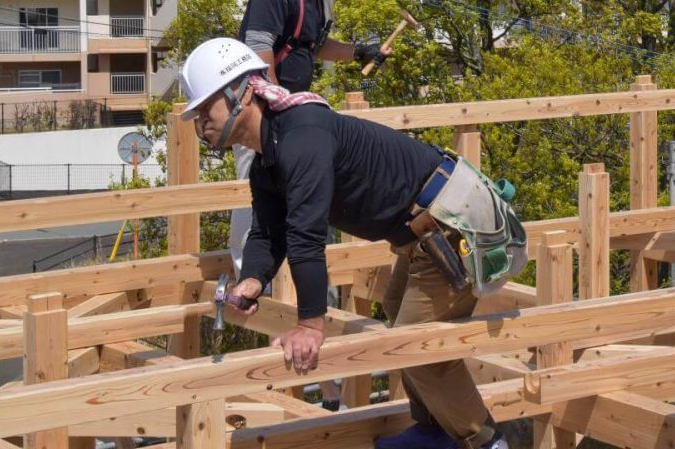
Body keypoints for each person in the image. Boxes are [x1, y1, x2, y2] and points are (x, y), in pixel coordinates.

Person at [180, 38, 520, 449]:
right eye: (196, 114)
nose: (201, 123)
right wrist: (252, 278)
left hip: (455, 223)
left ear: (245, 91)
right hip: (425, 233)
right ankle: (435, 430)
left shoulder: (301, 135)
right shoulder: (267, 159)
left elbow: (306, 235)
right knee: (398, 311)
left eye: (205, 108)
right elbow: (269, 231)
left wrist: (310, 325)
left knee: (415, 343)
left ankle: (486, 442)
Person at [231, 0, 389, 409]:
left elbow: (315, 50)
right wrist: (280, 116)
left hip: (295, 124)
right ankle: (261, 345)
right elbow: (259, 65)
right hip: (263, 121)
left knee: (307, 226)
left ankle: (319, 373)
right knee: (265, 231)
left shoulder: (315, 0)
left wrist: (361, 51)